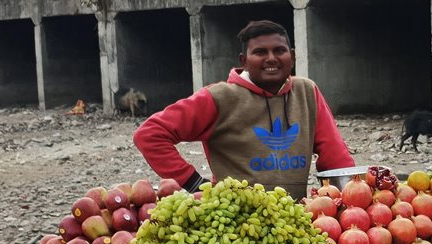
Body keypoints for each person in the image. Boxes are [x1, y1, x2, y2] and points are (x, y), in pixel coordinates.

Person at [133, 20, 354, 200]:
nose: (271, 58)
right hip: (235, 225)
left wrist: (349, 200)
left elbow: (336, 158)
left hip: (293, 220)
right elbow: (150, 134)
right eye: (260, 52)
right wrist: (194, 184)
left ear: (293, 56)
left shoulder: (307, 92)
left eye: (279, 50)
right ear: (244, 61)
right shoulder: (220, 97)